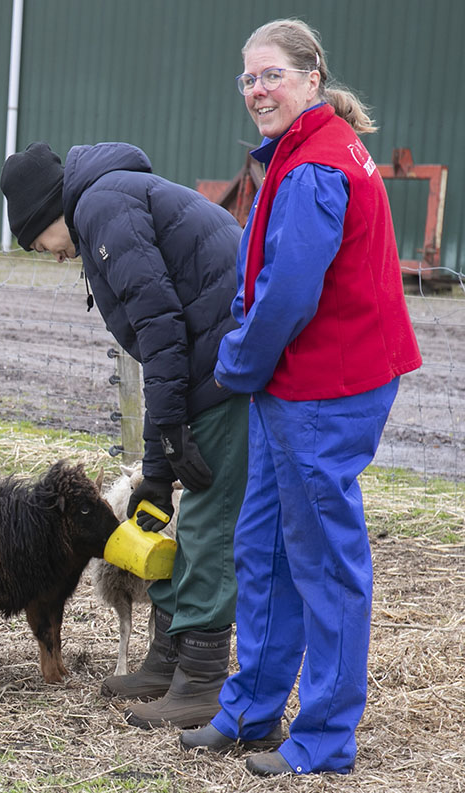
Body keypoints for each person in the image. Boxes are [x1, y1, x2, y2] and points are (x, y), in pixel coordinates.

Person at [177, 19, 423, 776]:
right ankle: (251, 709)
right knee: (266, 549)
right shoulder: (307, 148)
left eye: (272, 75)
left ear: (312, 78)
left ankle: (323, 735)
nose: (257, 89)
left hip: (327, 386)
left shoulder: (317, 165)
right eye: (248, 78)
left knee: (323, 561)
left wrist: (235, 364)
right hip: (299, 386)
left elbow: (288, 293)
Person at [1, 140, 248, 730]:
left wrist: (167, 436)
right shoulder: (102, 210)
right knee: (165, 514)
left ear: (43, 216)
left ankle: (204, 682)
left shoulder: (102, 209)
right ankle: (167, 660)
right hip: (210, 362)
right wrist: (157, 475)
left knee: (208, 515)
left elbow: (161, 331)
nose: (46, 254)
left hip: (227, 366)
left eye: (35, 242)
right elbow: (161, 330)